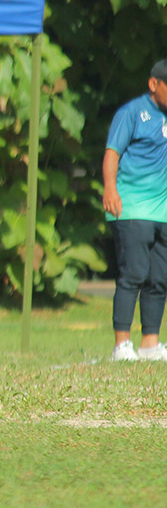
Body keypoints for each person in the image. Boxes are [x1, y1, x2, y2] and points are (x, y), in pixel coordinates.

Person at [103, 59, 167, 361]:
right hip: (132, 208)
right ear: (154, 84)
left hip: (162, 212)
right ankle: (122, 345)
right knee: (134, 274)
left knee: (158, 278)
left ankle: (150, 344)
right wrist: (110, 188)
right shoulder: (131, 113)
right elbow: (112, 152)